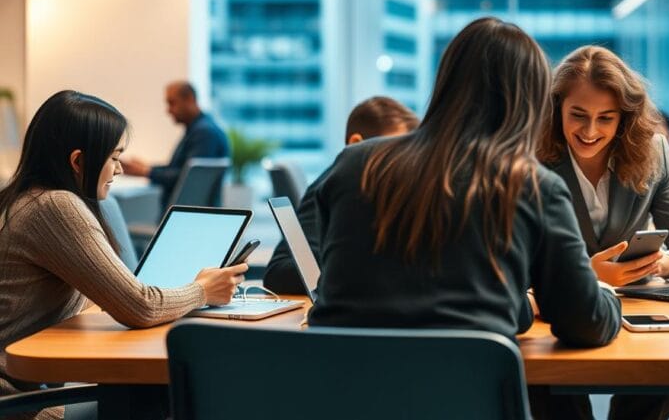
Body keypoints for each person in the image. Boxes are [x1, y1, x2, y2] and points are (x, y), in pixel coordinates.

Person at [308, 17, 620, 363]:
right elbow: (584, 323)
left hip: (339, 396)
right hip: (464, 399)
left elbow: (335, 286)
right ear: (531, 102)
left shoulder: (352, 165)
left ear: (446, 82)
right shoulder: (531, 185)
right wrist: (607, 295)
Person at [0, 91, 246, 420]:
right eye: (114, 157)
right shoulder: (55, 206)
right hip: (22, 400)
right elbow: (141, 307)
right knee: (166, 397)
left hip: (34, 387)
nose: (118, 169)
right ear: (78, 162)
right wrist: (202, 289)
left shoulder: (28, 199)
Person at [535, 46, 669, 420]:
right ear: (556, 108)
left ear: (624, 118)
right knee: (551, 390)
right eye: (578, 115)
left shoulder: (653, 150)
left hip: (635, 308)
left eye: (605, 118)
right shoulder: (530, 155)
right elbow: (515, 254)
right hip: (555, 315)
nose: (590, 131)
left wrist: (667, 263)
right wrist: (588, 274)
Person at [263, 96, 419, 294]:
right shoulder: (329, 186)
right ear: (355, 144)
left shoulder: (397, 194)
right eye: (392, 151)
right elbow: (279, 273)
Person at [120, 81, 229, 208]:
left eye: (172, 103)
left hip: (185, 216)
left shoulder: (204, 133)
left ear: (189, 99)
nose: (168, 110)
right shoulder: (200, 129)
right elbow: (181, 169)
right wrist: (149, 168)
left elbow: (188, 179)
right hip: (187, 215)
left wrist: (147, 172)